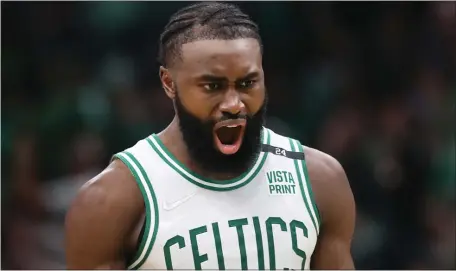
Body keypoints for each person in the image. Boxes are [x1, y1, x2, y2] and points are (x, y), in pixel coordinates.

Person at [65, 2, 356, 270]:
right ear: (169, 84)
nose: (233, 104)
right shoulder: (112, 199)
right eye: (212, 86)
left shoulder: (318, 178)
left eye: (247, 83)